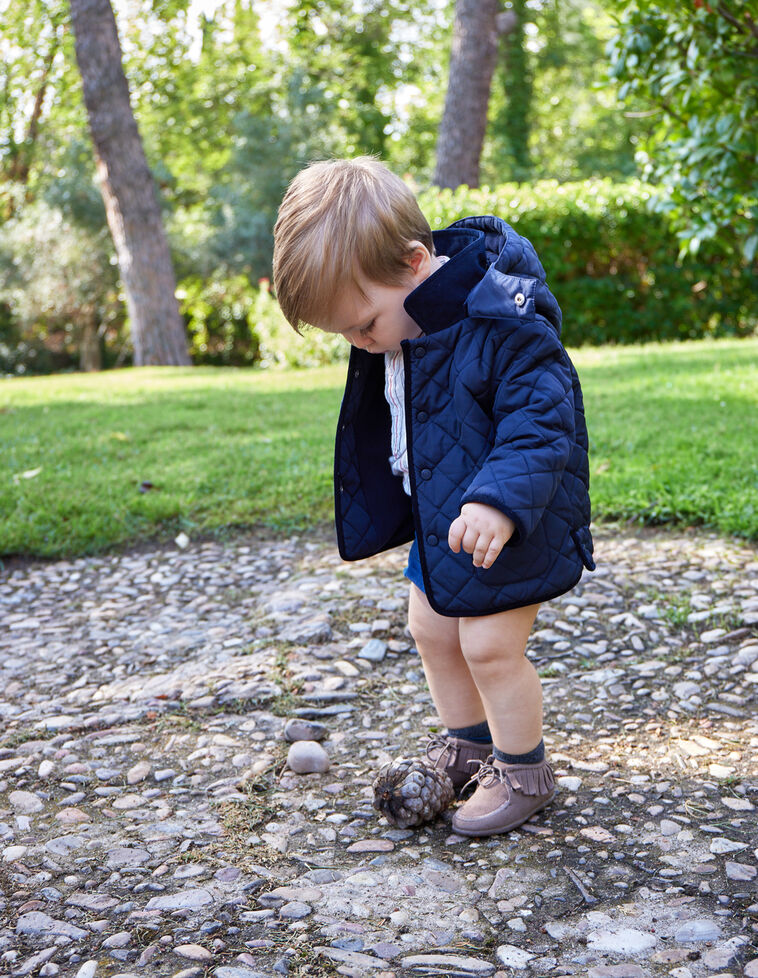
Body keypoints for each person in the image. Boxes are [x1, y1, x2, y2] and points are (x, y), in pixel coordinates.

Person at [272, 157, 595, 837]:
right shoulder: (402, 325)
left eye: (362, 325)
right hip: (443, 519)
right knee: (430, 627)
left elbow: (544, 421)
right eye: (346, 334)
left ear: (417, 263)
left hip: (512, 517)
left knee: (488, 647)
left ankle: (523, 772)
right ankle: (469, 744)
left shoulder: (501, 318)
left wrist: (499, 503)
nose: (360, 342)